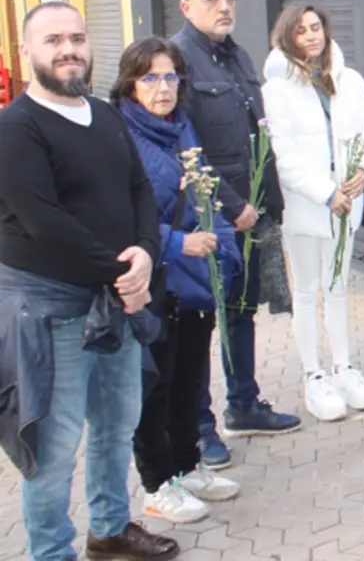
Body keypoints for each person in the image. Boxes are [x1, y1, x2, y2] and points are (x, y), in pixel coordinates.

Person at [0, 2, 178, 560]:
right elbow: (42, 221)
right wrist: (127, 273)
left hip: (116, 297)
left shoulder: (104, 115)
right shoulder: (15, 127)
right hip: (49, 307)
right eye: (53, 39)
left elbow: (139, 192)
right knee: (52, 448)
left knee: (116, 425)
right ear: (28, 52)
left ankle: (109, 529)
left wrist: (147, 253)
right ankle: (52, 553)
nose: (69, 49)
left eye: (77, 37)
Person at [111, 37, 243, 524]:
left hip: (195, 281)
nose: (163, 88)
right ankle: (156, 483)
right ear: (130, 83)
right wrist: (175, 243)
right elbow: (119, 216)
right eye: (150, 78)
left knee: (190, 379)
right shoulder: (119, 134)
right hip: (155, 279)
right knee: (155, 386)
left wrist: (224, 250)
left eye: (171, 77)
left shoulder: (182, 126)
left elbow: (208, 196)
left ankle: (188, 467)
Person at [171, 0, 299, 466]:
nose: (224, 6)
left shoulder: (238, 55)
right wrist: (230, 205)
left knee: (241, 314)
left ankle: (244, 404)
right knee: (204, 320)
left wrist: (266, 205)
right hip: (212, 217)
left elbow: (257, 135)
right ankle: (200, 427)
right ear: (186, 7)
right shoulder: (177, 58)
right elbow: (187, 147)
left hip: (254, 212)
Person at [262, 4, 364, 422]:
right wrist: (327, 192)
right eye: (301, 30)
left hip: (349, 200)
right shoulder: (277, 88)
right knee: (307, 291)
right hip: (308, 204)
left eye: (316, 28)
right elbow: (284, 157)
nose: (311, 36)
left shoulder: (350, 81)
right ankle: (314, 375)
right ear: (287, 36)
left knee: (339, 288)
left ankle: (343, 367)